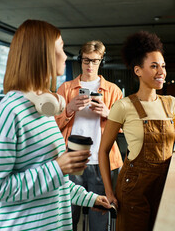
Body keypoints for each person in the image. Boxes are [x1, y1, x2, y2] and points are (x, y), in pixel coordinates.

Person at [0, 20, 111, 231]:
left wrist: (89, 198)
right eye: (61, 48)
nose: (66, 56)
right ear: (44, 54)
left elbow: (54, 181)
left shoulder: (43, 109)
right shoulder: (10, 113)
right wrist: (58, 167)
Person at [98, 31, 175, 231]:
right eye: (154, 66)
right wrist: (109, 192)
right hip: (134, 187)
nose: (161, 71)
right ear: (138, 70)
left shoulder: (170, 103)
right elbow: (103, 150)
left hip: (165, 185)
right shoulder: (123, 106)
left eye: (162, 66)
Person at [55, 40, 123, 231]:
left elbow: (125, 127)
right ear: (80, 60)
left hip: (101, 161)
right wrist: (68, 109)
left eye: (94, 61)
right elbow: (53, 125)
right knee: (68, 214)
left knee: (99, 215)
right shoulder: (66, 89)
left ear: (101, 61)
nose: (90, 65)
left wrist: (109, 114)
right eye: (86, 60)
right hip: (72, 158)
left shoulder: (113, 91)